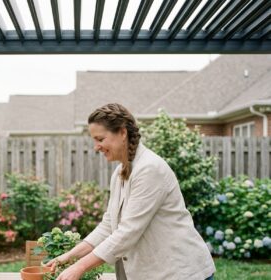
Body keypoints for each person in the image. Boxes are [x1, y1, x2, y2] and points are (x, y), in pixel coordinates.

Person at [44, 103, 215, 280]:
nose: (96, 147)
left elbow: (127, 232)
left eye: (100, 139)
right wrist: (68, 257)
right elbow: (108, 226)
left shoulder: (149, 169)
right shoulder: (120, 173)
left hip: (182, 272)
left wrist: (79, 268)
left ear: (122, 133)